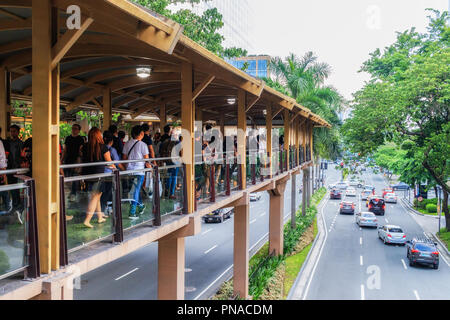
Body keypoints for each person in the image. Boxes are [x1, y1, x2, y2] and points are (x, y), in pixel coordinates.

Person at [81, 128, 115, 228]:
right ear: (99, 136)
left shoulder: (85, 146)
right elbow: (109, 162)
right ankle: (87, 220)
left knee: (97, 196)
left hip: (87, 174)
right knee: (95, 197)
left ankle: (100, 216)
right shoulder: (103, 147)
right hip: (98, 175)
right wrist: (115, 168)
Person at [122, 125, 151, 219]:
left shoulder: (127, 144)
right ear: (141, 134)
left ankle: (141, 205)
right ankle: (132, 212)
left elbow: (124, 159)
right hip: (139, 171)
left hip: (129, 171)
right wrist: (150, 167)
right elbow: (147, 161)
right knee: (136, 190)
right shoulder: (143, 145)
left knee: (135, 190)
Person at [100, 131, 125, 215]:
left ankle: (103, 209)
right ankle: (110, 209)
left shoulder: (99, 148)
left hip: (101, 173)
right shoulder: (112, 150)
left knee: (103, 192)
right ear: (111, 141)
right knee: (110, 191)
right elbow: (117, 163)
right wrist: (124, 170)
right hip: (110, 174)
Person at [4, 125, 24, 224]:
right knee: (12, 188)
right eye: (11, 131)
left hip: (17, 169)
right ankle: (15, 206)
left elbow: (21, 157)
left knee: (18, 188)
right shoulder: (7, 143)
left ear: (18, 132)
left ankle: (18, 207)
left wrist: (19, 168)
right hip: (9, 169)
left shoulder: (21, 143)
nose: (12, 133)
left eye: (14, 131)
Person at [61, 124, 85, 202]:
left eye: (76, 128)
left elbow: (81, 151)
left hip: (76, 160)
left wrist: (80, 160)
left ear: (79, 130)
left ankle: (73, 194)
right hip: (68, 160)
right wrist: (61, 159)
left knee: (75, 177)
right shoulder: (68, 138)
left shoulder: (80, 139)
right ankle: (70, 193)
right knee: (67, 177)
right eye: (73, 128)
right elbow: (65, 150)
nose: (74, 130)